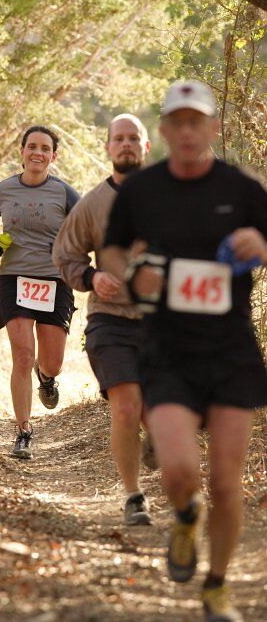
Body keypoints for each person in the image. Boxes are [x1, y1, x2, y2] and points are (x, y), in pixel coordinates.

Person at [102, 80, 267, 621]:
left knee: (225, 480)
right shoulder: (142, 191)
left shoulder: (242, 190)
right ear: (167, 131)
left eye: (200, 121)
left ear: (213, 129)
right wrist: (129, 276)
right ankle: (184, 515)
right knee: (178, 473)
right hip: (168, 350)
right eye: (180, 122)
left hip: (230, 351)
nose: (191, 131)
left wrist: (261, 244)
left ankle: (216, 586)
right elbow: (111, 247)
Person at [52, 114, 156, 527]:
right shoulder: (93, 204)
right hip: (110, 321)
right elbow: (65, 255)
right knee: (126, 407)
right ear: (108, 148)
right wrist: (92, 276)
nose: (127, 144)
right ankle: (134, 497)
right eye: (119, 138)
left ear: (146, 146)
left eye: (134, 137)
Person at [0, 126, 80, 459]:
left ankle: (47, 379)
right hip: (14, 279)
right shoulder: (3, 189)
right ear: (21, 151)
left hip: (55, 280)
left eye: (45, 148)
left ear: (54, 155)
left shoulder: (65, 194)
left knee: (51, 362)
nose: (38, 152)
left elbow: (85, 227)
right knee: (23, 355)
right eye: (31, 146)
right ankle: (23, 431)